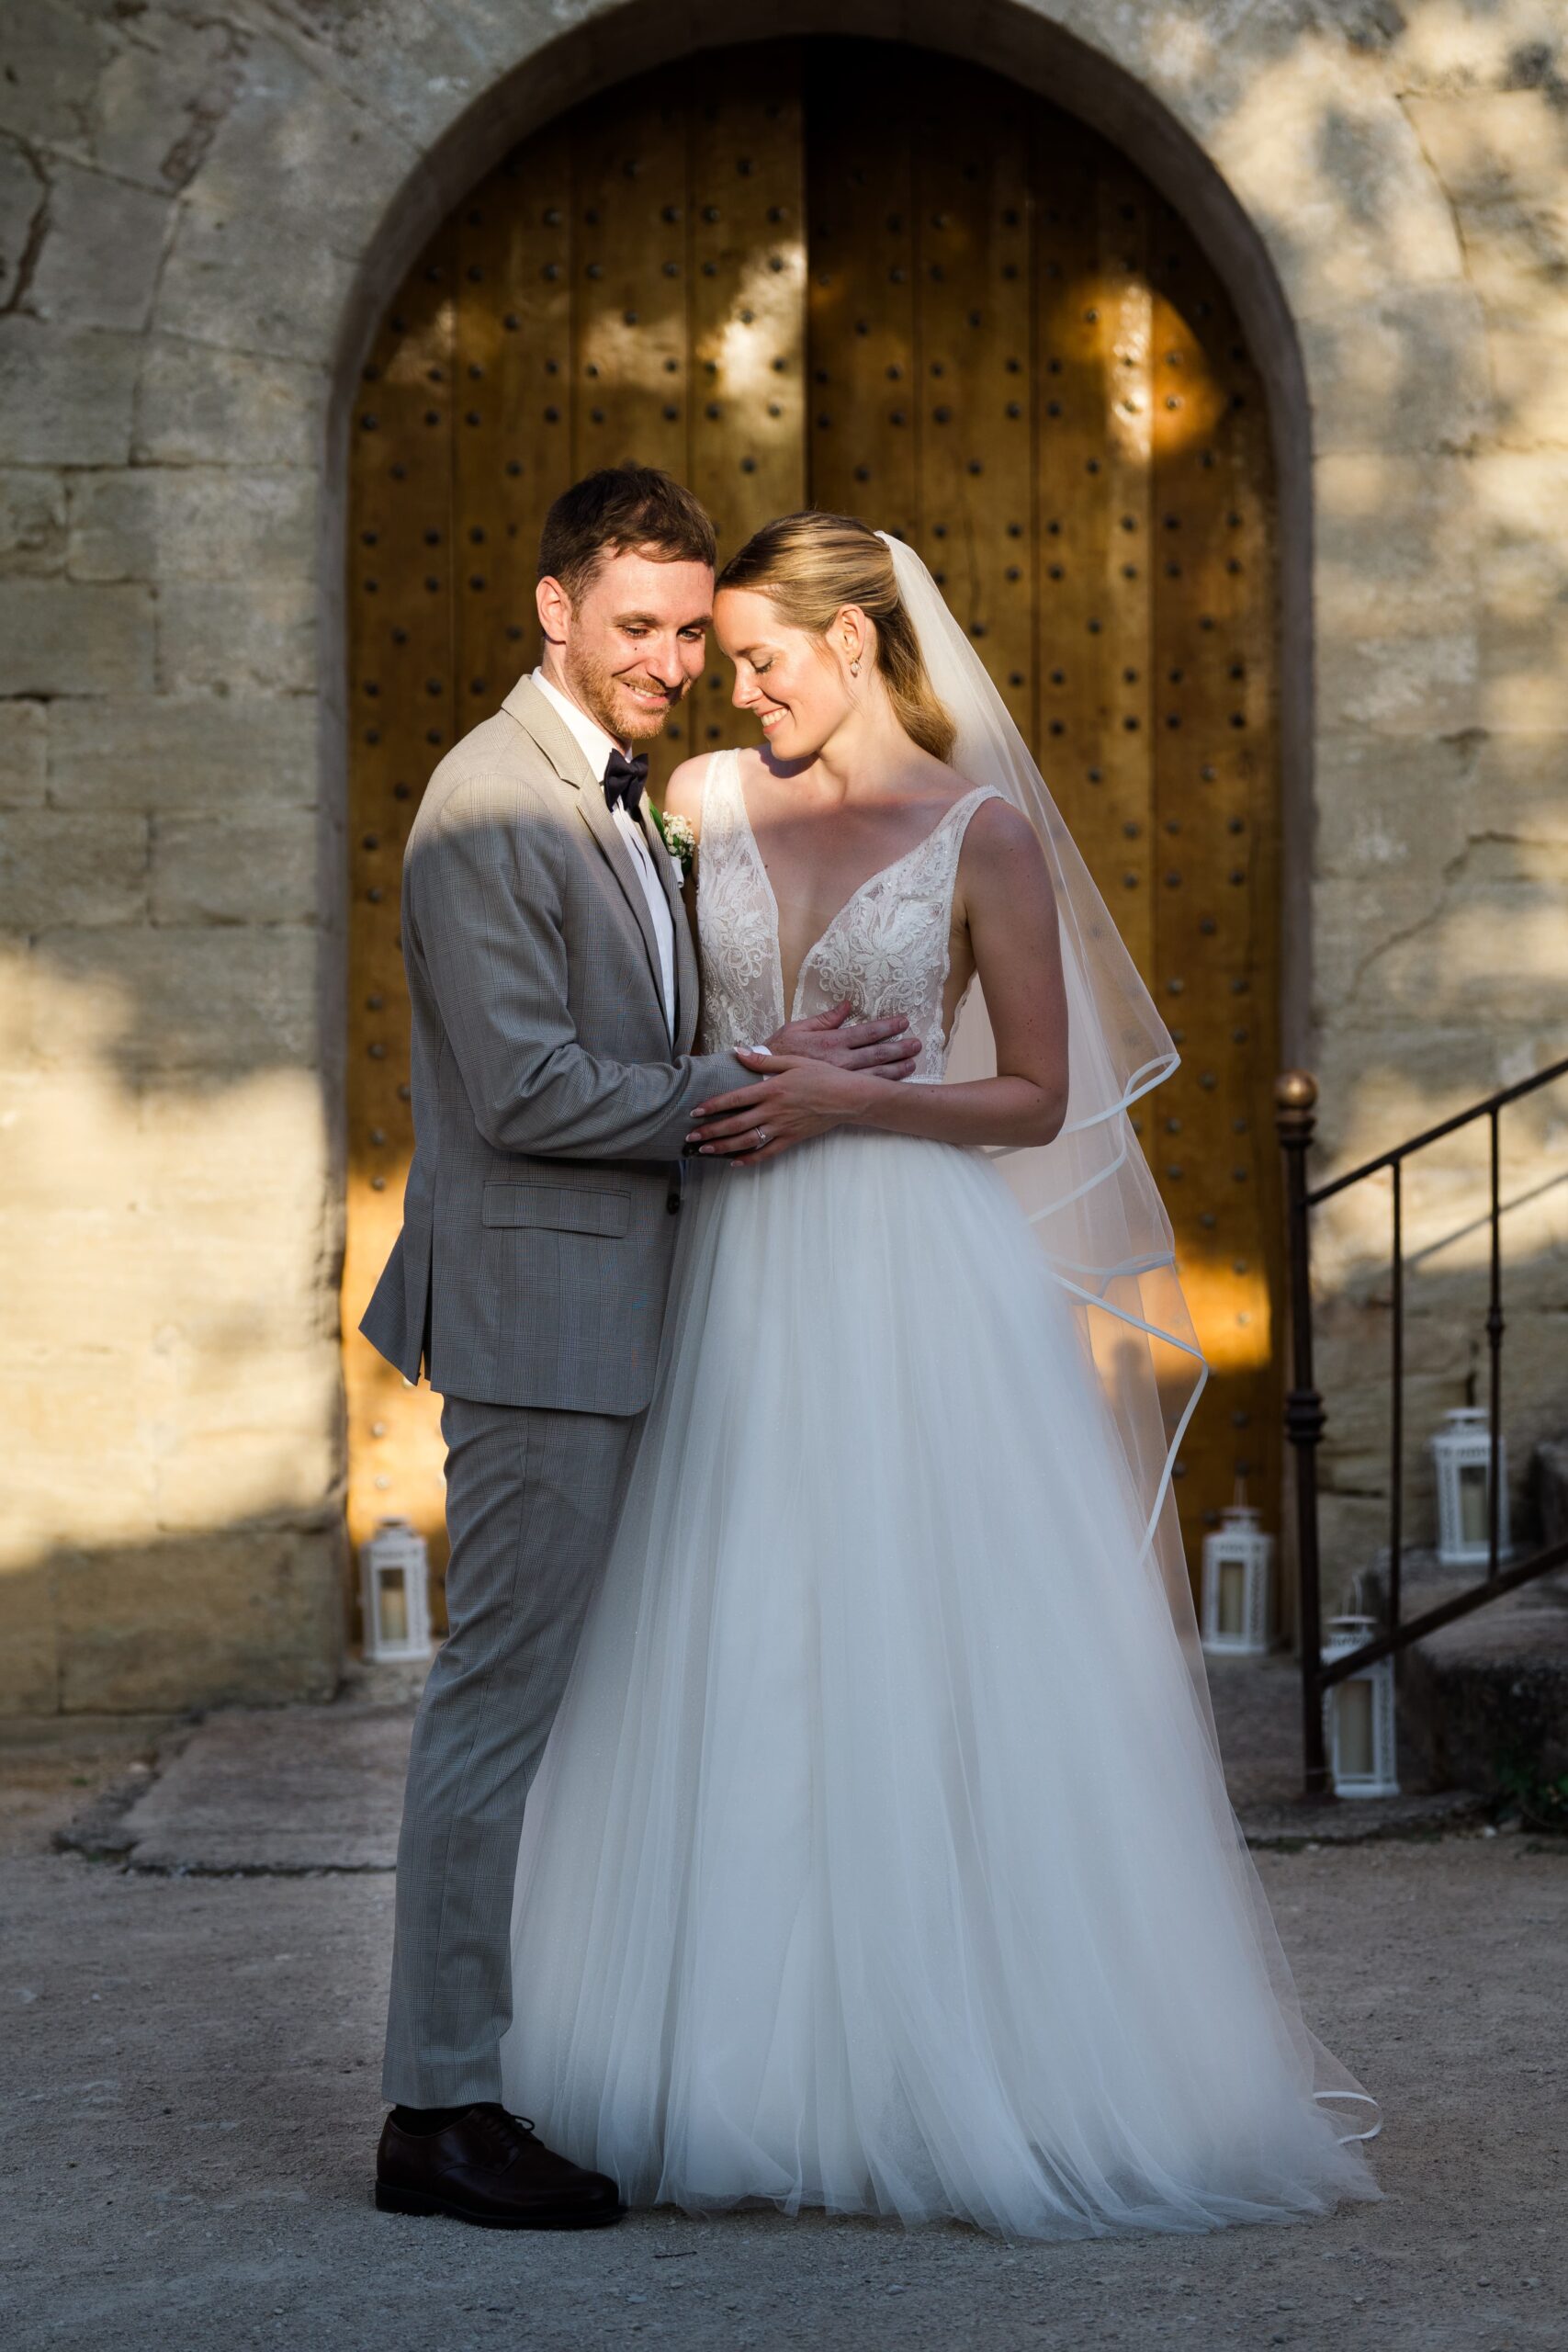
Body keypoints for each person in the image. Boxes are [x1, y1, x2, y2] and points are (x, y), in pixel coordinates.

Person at [497, 512, 1382, 2240]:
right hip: (739, 1269)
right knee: (732, 1634)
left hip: (922, 1281)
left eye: (760, 657)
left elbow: (1038, 1096)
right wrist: (760, 1073)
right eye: (722, 657)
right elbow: (665, 1047)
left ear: (857, 642)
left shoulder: (982, 834)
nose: (731, 689)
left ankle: (967, 2063)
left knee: (935, 1647)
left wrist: (856, 1100)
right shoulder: (697, 813)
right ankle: (735, 2072)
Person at [362, 470, 920, 2230]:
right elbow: (526, 1085)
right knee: (499, 1702)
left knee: (604, 1706)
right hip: (543, 1322)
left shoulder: (609, 793)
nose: (670, 661)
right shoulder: (482, 806)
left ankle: (572, 2057)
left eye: (692, 631)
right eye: (638, 627)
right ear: (553, 608)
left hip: (636, 1309)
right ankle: (436, 2113)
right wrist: (757, 1089)